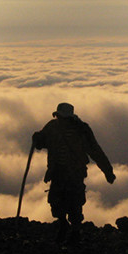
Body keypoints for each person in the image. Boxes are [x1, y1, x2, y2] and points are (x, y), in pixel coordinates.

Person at [32, 102, 115, 242]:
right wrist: (37, 138)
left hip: (75, 173)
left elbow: (95, 150)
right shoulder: (52, 127)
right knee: (56, 201)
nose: (60, 119)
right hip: (57, 172)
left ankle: (75, 230)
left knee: (75, 203)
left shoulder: (82, 130)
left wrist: (107, 170)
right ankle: (63, 224)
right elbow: (41, 143)